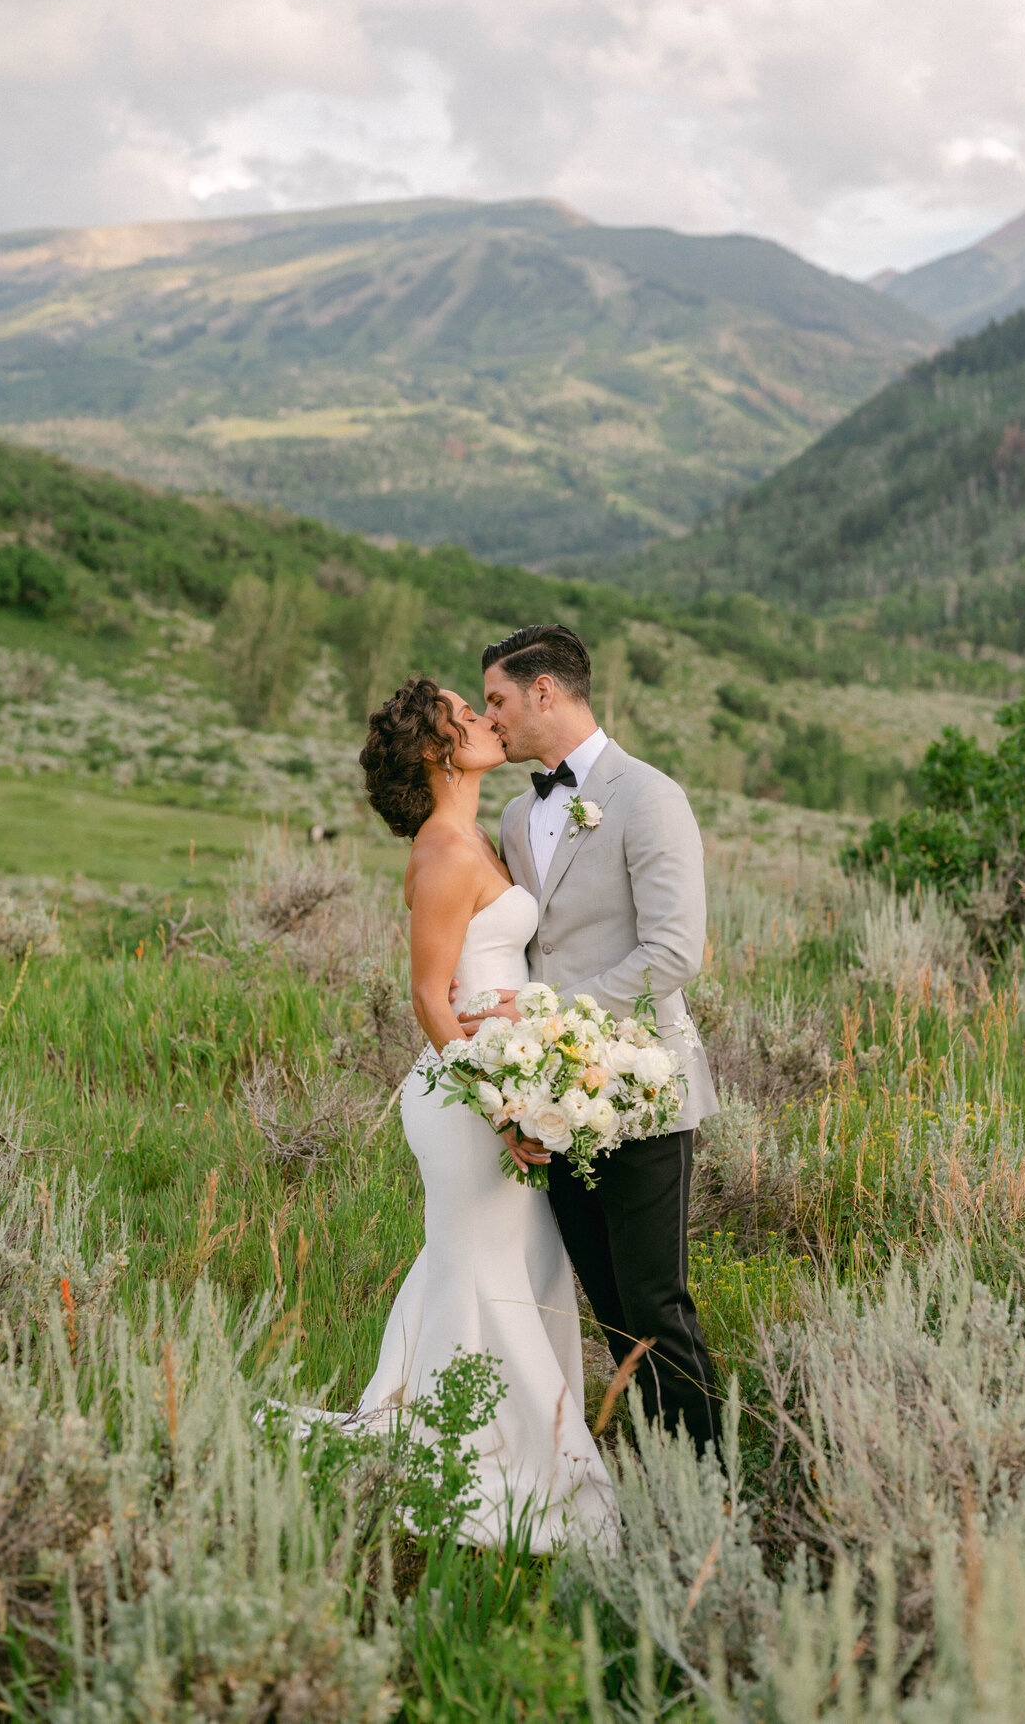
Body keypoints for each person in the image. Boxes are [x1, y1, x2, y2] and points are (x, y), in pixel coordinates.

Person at [346, 676, 615, 1552]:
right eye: (465, 716)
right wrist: (497, 1103)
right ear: (436, 753)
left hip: (495, 1085)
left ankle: (471, 1441)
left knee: (506, 1267)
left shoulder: (472, 839)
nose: (482, 719)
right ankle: (497, 1469)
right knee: (488, 1275)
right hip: (464, 1103)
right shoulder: (444, 852)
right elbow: (428, 996)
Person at [462, 623, 722, 1456]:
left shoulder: (650, 796)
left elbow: (675, 952)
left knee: (656, 1307)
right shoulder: (512, 813)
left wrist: (547, 1017)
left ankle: (709, 1486)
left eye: (497, 699)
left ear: (545, 691)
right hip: (558, 1105)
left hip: (644, 1090)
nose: (490, 716)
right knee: (609, 1311)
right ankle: (653, 1472)